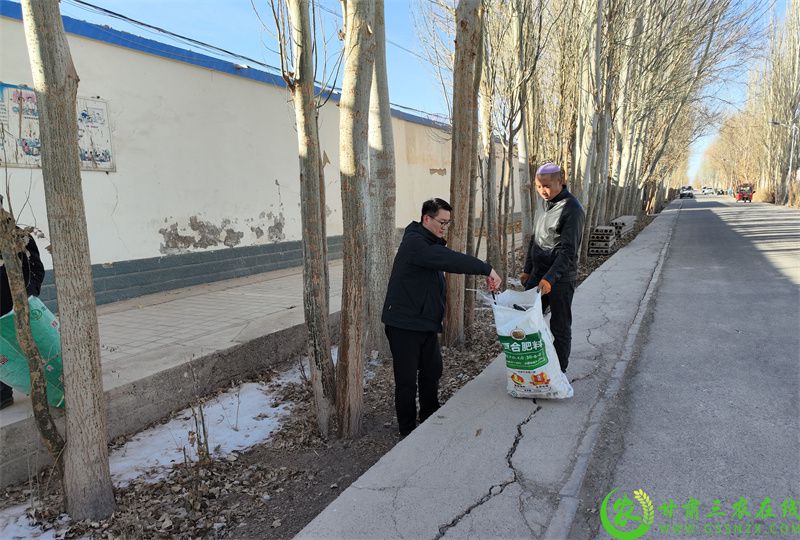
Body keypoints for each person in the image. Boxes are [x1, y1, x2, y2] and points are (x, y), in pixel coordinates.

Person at [382, 198, 502, 438]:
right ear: (426, 219)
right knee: (406, 381)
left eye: (448, 223)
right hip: (403, 324)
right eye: (442, 222)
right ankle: (407, 431)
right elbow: (451, 260)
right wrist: (486, 268)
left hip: (424, 323)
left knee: (432, 370)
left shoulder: (428, 242)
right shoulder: (416, 243)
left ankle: (429, 415)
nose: (445, 227)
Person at [520, 163, 585, 373]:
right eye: (539, 187)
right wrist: (527, 268)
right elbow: (535, 238)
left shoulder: (572, 209)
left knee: (560, 326)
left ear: (561, 181)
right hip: (538, 272)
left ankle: (558, 372)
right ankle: (534, 364)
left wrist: (550, 278)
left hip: (560, 277)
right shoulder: (543, 203)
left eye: (546, 186)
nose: (542, 191)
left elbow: (568, 251)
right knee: (526, 319)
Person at [0, 197, 45, 410]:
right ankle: (3, 394)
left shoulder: (20, 236)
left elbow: (36, 269)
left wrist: (27, 296)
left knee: (28, 347)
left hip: (15, 306)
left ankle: (47, 385)